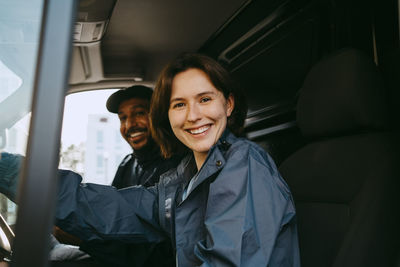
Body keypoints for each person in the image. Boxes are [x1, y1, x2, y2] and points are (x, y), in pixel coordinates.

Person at [0, 53, 300, 266]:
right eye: (179, 104)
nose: (194, 115)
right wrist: (7, 169)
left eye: (205, 99)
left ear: (229, 104)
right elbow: (101, 208)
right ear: (167, 117)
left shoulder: (243, 164)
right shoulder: (182, 179)